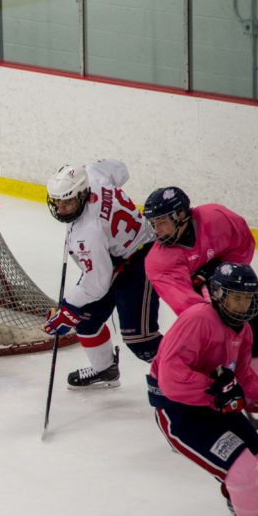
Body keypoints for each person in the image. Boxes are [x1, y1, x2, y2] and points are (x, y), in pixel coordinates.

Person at [147, 262, 258, 516]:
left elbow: (243, 376)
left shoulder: (242, 330)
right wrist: (214, 390)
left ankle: (240, 498)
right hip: (177, 409)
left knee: (255, 451)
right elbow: (171, 378)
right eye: (237, 297)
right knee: (241, 467)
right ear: (219, 295)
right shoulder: (198, 320)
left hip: (211, 402)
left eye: (248, 297)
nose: (244, 304)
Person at [142, 186, 258, 399]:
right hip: (211, 323)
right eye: (153, 223)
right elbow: (188, 306)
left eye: (161, 222)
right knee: (230, 378)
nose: (156, 230)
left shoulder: (216, 218)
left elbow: (243, 245)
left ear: (181, 214)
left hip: (242, 297)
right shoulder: (159, 261)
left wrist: (222, 271)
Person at [42, 160, 162, 389]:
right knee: (86, 321)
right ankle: (105, 369)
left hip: (142, 258)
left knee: (141, 339)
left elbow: (98, 283)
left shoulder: (88, 232)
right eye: (57, 201)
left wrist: (68, 306)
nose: (60, 209)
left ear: (82, 194)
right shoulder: (93, 174)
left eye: (68, 202)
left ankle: (188, 377)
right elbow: (120, 169)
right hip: (114, 255)